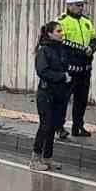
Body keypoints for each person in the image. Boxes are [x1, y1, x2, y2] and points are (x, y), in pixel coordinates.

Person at [57, 0, 96, 138]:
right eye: (78, 5)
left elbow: (94, 39)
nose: (81, 8)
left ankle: (78, 126)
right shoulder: (62, 21)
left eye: (82, 5)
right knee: (63, 99)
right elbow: (60, 43)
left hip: (85, 67)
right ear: (69, 5)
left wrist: (91, 49)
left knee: (81, 99)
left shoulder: (86, 21)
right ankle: (59, 127)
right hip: (69, 67)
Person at [31, 21, 72, 171]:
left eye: (62, 31)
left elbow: (66, 66)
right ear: (49, 34)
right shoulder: (44, 50)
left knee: (54, 125)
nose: (62, 33)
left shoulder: (61, 49)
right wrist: (62, 77)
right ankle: (35, 159)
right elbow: (42, 71)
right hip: (46, 93)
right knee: (45, 125)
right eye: (58, 31)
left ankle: (48, 157)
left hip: (59, 93)